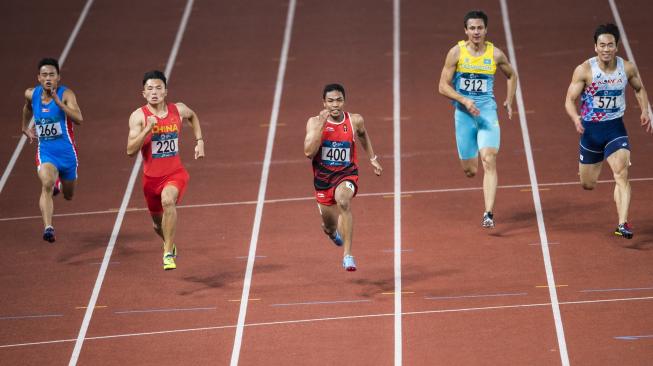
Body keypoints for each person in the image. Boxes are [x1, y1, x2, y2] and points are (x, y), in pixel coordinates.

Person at [564, 23, 651, 239]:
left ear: (616, 47)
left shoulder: (627, 68)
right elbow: (569, 100)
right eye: (601, 45)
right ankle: (594, 166)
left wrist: (645, 110)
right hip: (591, 131)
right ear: (595, 47)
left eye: (610, 45)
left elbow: (639, 89)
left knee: (621, 173)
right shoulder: (584, 70)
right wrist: (576, 117)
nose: (606, 49)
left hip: (615, 128)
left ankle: (622, 223)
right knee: (588, 184)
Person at [438, 10, 517, 228]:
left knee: (489, 159)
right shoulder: (456, 53)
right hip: (464, 116)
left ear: (486, 30)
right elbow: (442, 86)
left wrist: (509, 100)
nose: (476, 32)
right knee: (471, 171)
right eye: (472, 28)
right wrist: (463, 100)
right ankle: (475, 174)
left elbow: (511, 75)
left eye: (479, 28)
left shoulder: (495, 54)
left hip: (487, 113)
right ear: (465, 30)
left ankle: (488, 213)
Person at [127, 70, 205, 270]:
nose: (154, 92)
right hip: (151, 180)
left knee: (168, 201)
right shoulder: (138, 117)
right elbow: (129, 150)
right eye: (150, 89)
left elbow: (193, 116)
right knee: (156, 225)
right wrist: (147, 129)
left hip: (175, 173)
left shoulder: (177, 109)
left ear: (165, 91)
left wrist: (199, 140)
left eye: (158, 88)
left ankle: (167, 253)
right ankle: (169, 243)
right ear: (143, 93)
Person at [303, 83, 382, 271]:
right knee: (329, 227)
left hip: (347, 175)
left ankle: (348, 255)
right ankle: (332, 234)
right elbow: (308, 152)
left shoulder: (355, 120)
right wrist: (322, 125)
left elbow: (363, 135)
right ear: (324, 103)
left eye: (339, 100)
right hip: (323, 181)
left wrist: (373, 158)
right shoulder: (314, 122)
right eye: (330, 101)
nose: (335, 105)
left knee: (344, 201)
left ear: (344, 101)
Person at [21, 58, 83, 243]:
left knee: (69, 196)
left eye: (52, 75)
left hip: (67, 154)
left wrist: (59, 103)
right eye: (44, 75)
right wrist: (25, 127)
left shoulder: (66, 94)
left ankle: (61, 185)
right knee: (46, 183)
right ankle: (48, 227)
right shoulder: (32, 94)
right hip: (46, 153)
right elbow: (27, 107)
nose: (48, 78)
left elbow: (79, 119)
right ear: (39, 78)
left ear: (58, 78)